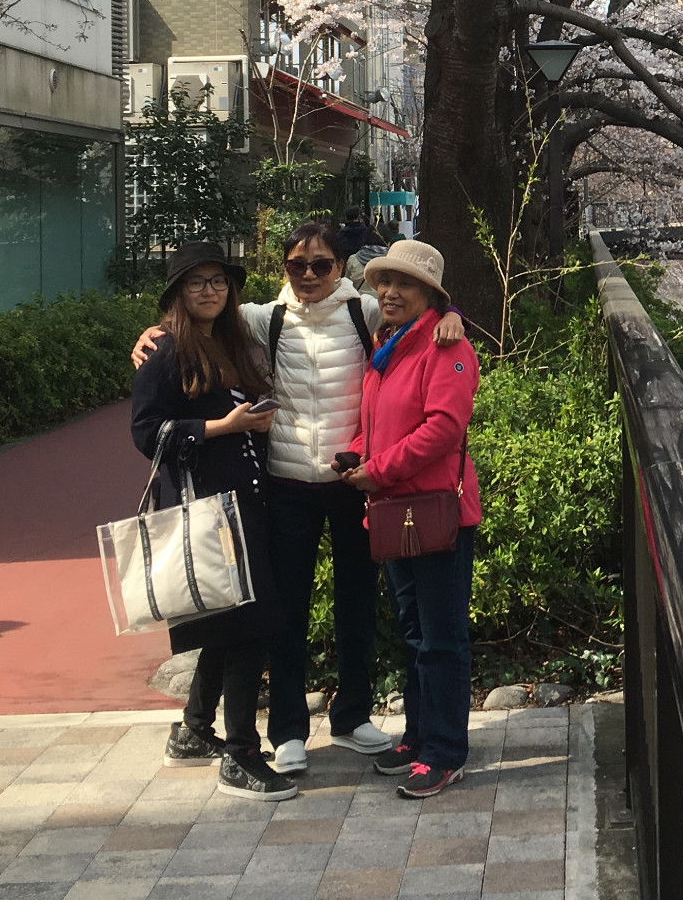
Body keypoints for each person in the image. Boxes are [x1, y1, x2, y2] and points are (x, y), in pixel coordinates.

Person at [132, 225, 465, 775]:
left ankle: (352, 716)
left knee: (356, 604)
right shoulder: (266, 318)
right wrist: (151, 333)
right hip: (285, 484)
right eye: (297, 265)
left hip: (354, 482)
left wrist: (457, 314)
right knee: (286, 611)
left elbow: (421, 305)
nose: (309, 275)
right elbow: (195, 322)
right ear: (284, 269)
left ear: (342, 267)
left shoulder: (364, 310)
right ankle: (287, 728)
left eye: (322, 264)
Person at [128, 242, 295, 801]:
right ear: (177, 293)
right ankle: (242, 754)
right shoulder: (165, 351)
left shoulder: (232, 344)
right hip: (207, 512)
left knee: (232, 626)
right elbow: (147, 434)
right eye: (196, 283)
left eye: (218, 281)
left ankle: (196, 731)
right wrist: (221, 427)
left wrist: (255, 424)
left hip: (247, 506)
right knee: (250, 630)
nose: (209, 291)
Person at [341, 239, 483, 800]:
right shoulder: (388, 346)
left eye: (405, 285)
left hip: (432, 512)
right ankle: (422, 735)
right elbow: (376, 422)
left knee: (442, 637)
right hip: (395, 510)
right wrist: (357, 454)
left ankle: (446, 751)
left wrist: (378, 470)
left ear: (431, 296)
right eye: (384, 283)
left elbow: (444, 429)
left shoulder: (448, 348)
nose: (390, 293)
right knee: (415, 631)